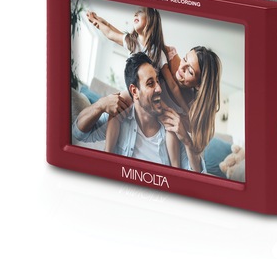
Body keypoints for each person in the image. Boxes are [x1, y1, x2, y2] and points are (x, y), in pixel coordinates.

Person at [86, 7, 191, 165]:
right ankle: (108, 153)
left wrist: (185, 109)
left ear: (151, 22)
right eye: (136, 12)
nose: (136, 13)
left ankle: (175, 166)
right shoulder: (131, 42)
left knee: (169, 122)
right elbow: (109, 32)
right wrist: (97, 21)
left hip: (151, 97)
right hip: (133, 92)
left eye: (141, 13)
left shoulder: (158, 53)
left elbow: (172, 85)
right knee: (116, 109)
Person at [72, 53, 205, 173]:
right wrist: (100, 105)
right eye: (150, 83)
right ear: (134, 91)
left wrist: (188, 141)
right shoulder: (120, 116)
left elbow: (197, 176)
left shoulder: (174, 129)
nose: (159, 88)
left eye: (157, 81)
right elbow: (78, 133)